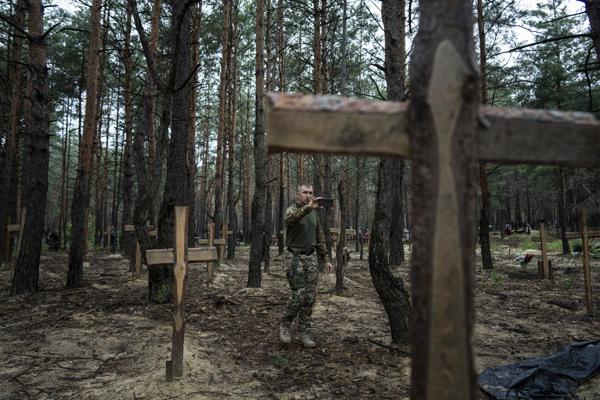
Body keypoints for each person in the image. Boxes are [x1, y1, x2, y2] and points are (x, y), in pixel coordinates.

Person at [280, 184, 333, 348]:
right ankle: (285, 325)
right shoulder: (292, 209)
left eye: (311, 193)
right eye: (305, 193)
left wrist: (326, 258)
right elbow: (291, 219)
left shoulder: (314, 215)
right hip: (294, 258)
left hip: (311, 258)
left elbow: (320, 238)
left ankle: (304, 331)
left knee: (310, 297)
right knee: (298, 295)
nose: (308, 195)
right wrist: (308, 208)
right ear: (298, 194)